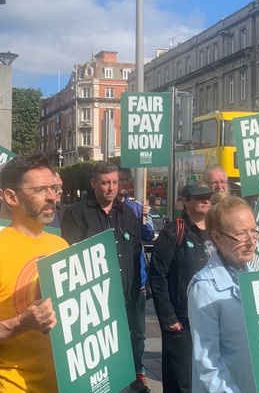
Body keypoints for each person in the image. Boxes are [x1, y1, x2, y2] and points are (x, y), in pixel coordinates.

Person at [0, 153, 68, 392]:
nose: (52, 197)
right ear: (11, 197)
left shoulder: (61, 245)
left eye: (53, 188)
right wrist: (21, 323)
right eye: (40, 190)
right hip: (11, 386)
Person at [61, 161, 143, 388]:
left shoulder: (127, 212)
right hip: (95, 299)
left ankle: (124, 382)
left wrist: (137, 288)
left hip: (125, 296)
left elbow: (136, 252)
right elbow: (71, 256)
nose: (111, 188)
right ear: (93, 183)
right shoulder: (76, 213)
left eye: (115, 182)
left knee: (123, 346)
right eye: (106, 183)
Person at [187, 193, 256, 393]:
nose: (251, 241)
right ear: (217, 238)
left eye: (254, 231)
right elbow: (208, 363)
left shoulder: (255, 278)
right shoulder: (204, 288)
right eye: (241, 234)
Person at [149, 181, 213, 393]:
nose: (206, 201)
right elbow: (158, 276)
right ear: (186, 201)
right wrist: (169, 318)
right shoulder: (173, 232)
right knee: (181, 381)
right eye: (200, 197)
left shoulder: (216, 231)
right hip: (182, 321)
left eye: (208, 197)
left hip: (209, 318)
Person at [117, 168, 155, 392]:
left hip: (137, 282)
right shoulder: (109, 209)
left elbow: (149, 235)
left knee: (138, 332)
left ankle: (138, 371)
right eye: (118, 180)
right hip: (115, 283)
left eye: (124, 180)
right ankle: (118, 372)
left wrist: (146, 218)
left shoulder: (137, 207)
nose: (121, 184)